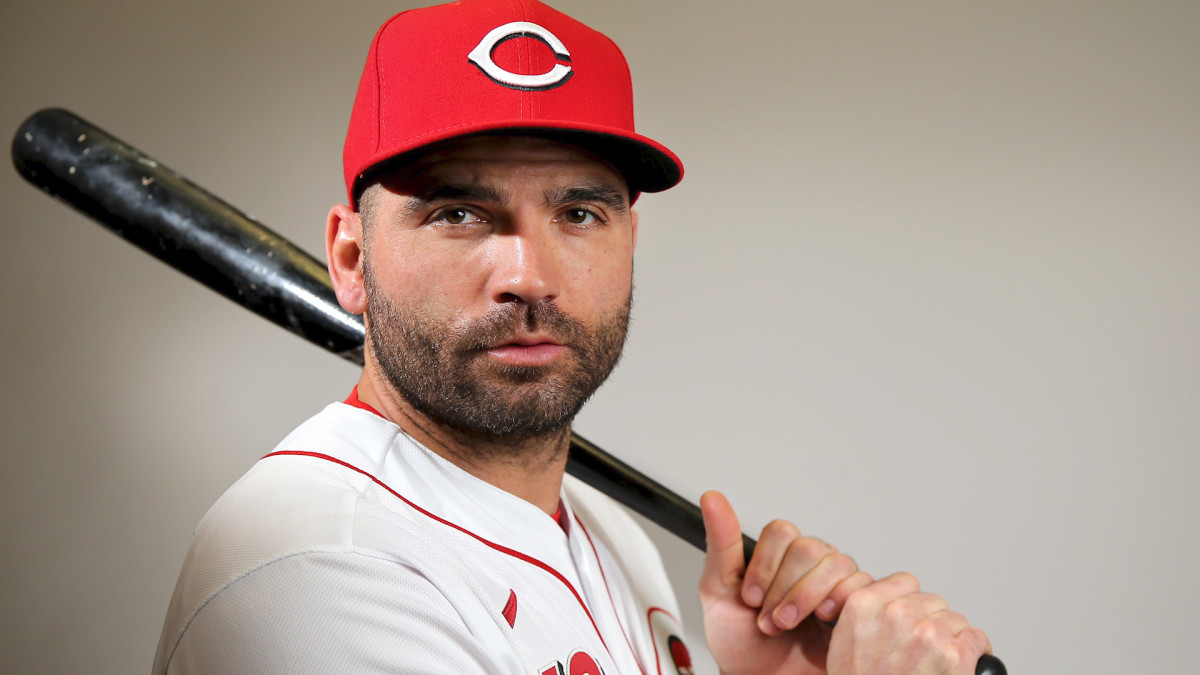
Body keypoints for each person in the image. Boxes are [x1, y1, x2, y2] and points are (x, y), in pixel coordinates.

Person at [154, 1, 993, 673]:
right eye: (459, 212)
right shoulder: (311, 567)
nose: (530, 273)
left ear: (630, 241)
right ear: (350, 258)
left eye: (579, 212)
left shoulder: (604, 534)